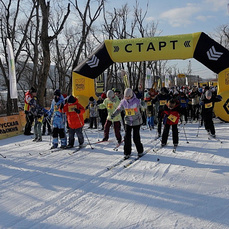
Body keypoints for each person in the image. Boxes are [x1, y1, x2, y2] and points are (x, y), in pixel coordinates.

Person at [111, 88, 144, 159]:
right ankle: (127, 152)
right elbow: (119, 109)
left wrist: (144, 105)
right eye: (126, 96)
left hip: (136, 121)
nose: (127, 98)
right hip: (128, 121)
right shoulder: (123, 102)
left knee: (136, 137)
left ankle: (140, 151)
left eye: (128, 96)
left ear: (131, 95)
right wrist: (114, 114)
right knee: (127, 137)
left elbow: (143, 106)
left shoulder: (136, 101)